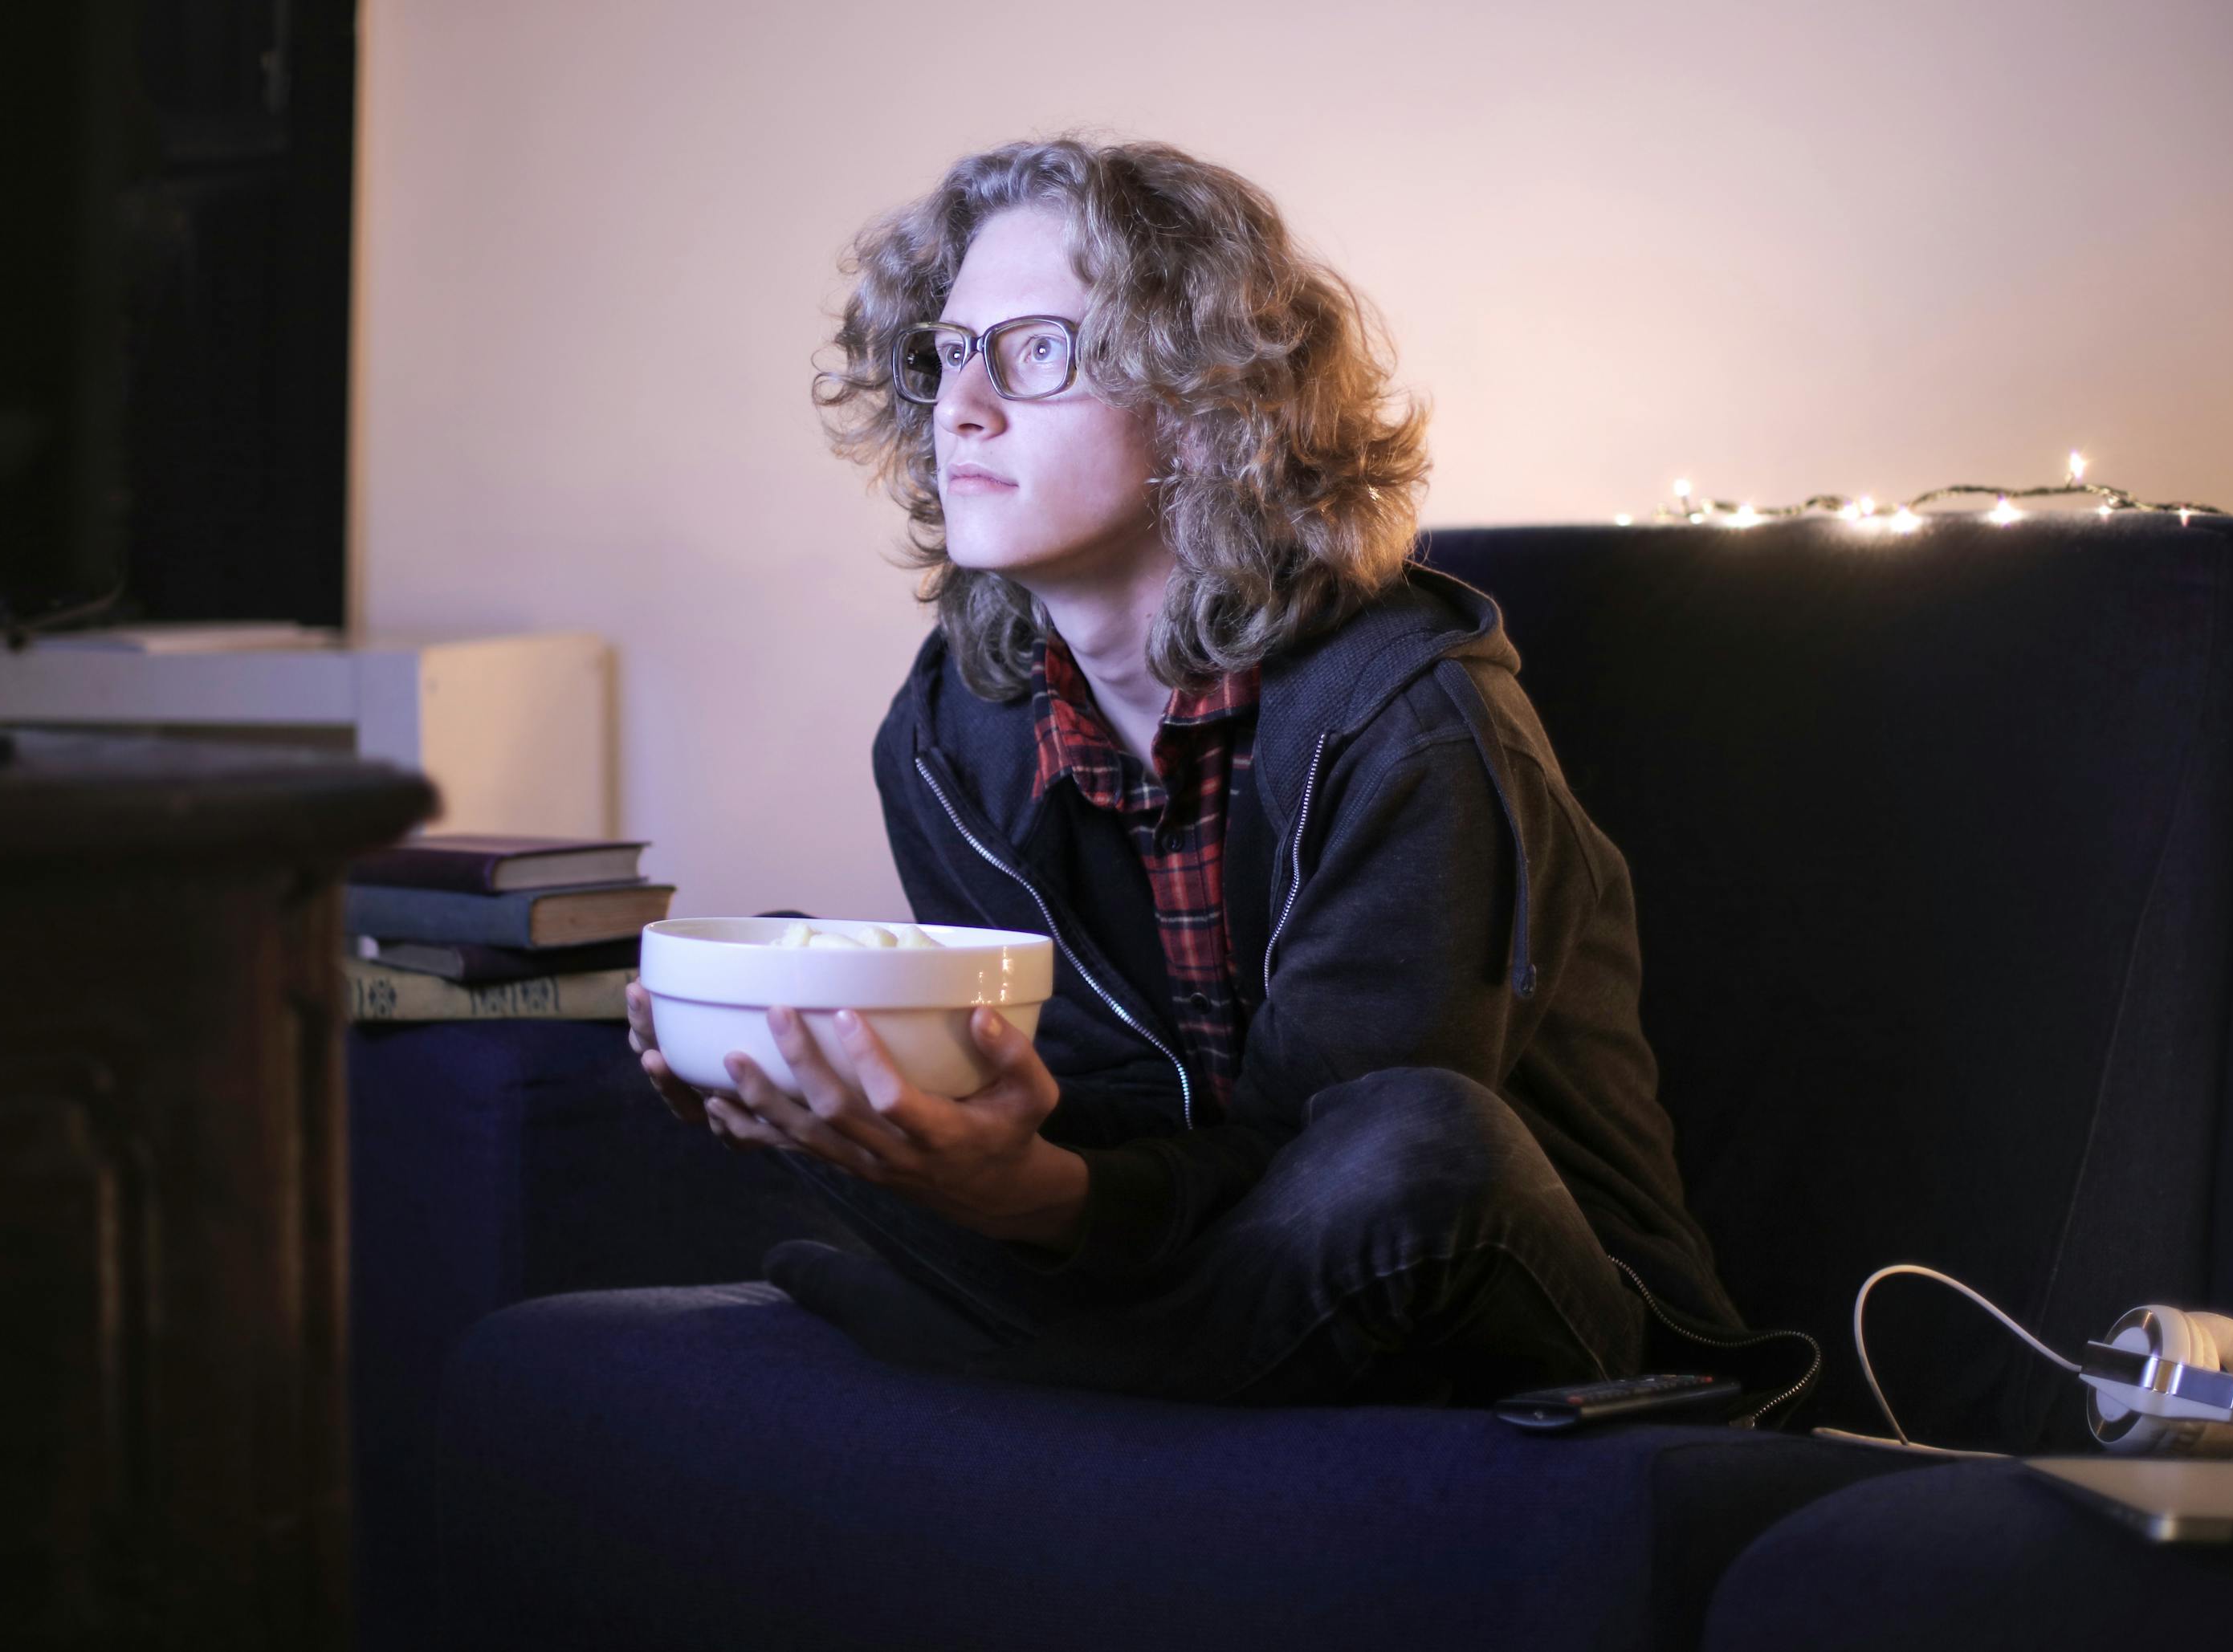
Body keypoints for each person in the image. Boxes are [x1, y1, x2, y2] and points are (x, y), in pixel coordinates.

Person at [621, 136, 1754, 1408]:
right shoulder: (948, 737)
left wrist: (1033, 1198)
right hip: (1171, 1251)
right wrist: (946, 1138)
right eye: (948, 354)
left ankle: (1054, 1367)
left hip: (1521, 1298)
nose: (963, 407)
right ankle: (1114, 1363)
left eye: (1036, 351)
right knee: (789, 1006)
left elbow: (1318, 1161)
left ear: (1207, 409)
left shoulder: (1411, 723)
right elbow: (1089, 1112)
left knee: (1418, 1145)